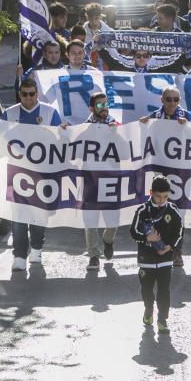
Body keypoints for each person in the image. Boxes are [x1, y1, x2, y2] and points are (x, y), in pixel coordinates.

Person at [0, 77, 63, 271]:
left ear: (37, 94)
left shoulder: (50, 113)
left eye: (32, 94)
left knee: (38, 217)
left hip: (43, 175)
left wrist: (63, 132)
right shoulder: (9, 114)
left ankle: (37, 247)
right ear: (19, 94)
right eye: (24, 94)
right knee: (19, 217)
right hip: (17, 175)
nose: (28, 98)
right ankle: (19, 255)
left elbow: (61, 142)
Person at [130, 175, 183, 334]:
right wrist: (146, 238)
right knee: (146, 288)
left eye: (165, 197)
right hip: (146, 259)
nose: (162, 200)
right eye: (158, 196)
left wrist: (170, 247)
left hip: (165, 259)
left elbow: (179, 231)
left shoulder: (172, 211)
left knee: (164, 290)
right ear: (151, 192)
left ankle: (162, 319)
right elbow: (133, 232)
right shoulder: (142, 210)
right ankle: (148, 309)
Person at [84, 92, 119, 271]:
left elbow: (128, 152)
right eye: (99, 105)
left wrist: (117, 134)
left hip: (111, 180)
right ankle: (93, 256)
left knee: (112, 222)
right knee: (90, 221)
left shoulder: (115, 125)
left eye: (106, 104)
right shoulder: (84, 128)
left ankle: (108, 240)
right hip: (90, 180)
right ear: (91, 109)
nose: (104, 108)